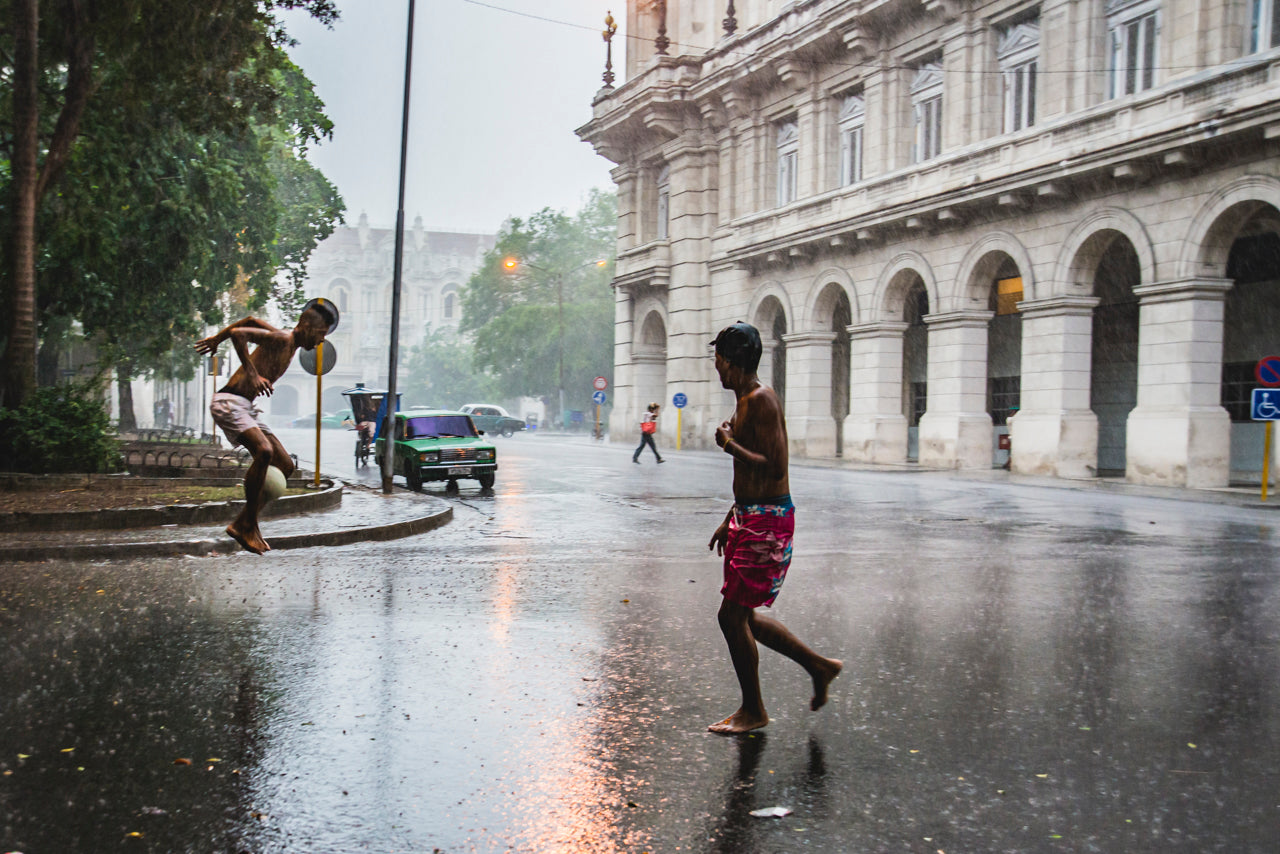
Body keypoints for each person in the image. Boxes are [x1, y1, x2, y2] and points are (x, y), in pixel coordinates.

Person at [706, 321, 842, 734]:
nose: (716, 369)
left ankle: (754, 710)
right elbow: (751, 477)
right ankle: (819, 667)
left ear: (732, 362)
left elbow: (774, 467)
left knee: (732, 617)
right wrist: (730, 518)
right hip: (751, 517)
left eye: (718, 361)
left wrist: (728, 444)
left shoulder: (761, 400)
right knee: (741, 616)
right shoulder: (745, 400)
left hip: (768, 521)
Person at [194, 299, 339, 554]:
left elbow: (249, 322)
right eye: (320, 334)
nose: (320, 342)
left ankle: (245, 522)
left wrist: (217, 338)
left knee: (286, 465)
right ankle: (247, 523)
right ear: (305, 325)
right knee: (264, 451)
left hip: (246, 407)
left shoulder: (285, 342)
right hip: (229, 402)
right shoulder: (283, 338)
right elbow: (240, 335)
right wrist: (252, 374)